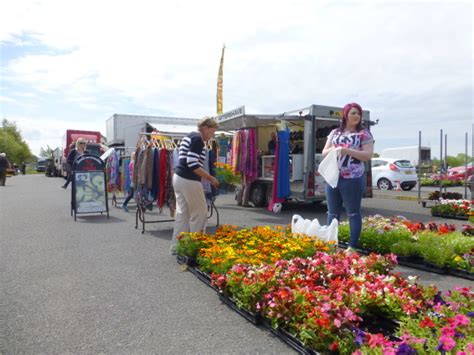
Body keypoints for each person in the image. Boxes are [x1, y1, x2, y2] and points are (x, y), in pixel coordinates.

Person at [322, 103, 374, 251]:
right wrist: (335, 149)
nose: (357, 116)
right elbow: (324, 152)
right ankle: (331, 244)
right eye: (353, 113)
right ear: (346, 115)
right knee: (332, 213)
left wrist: (347, 151)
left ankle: (352, 247)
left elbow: (367, 155)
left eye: (358, 113)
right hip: (333, 177)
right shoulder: (334, 133)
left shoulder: (364, 134)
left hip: (353, 178)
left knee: (353, 212)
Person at [170, 117, 220, 255]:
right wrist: (210, 178)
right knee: (200, 214)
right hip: (189, 179)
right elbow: (192, 164)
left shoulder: (189, 137)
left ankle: (177, 246)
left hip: (179, 178)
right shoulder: (198, 140)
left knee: (183, 214)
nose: (212, 135)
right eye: (212, 132)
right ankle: (193, 248)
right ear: (205, 128)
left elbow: (185, 160)